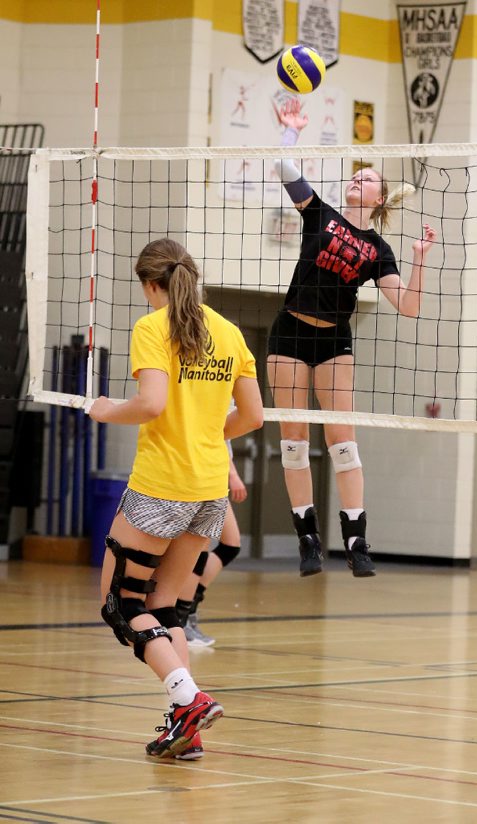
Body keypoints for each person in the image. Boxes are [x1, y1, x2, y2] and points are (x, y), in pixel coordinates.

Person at [89, 237, 263, 761]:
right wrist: (209, 437)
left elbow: (150, 404)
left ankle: (188, 700)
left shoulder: (152, 327)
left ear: (151, 285)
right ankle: (186, 731)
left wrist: (103, 409)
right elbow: (254, 418)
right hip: (209, 490)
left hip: (163, 485)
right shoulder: (229, 332)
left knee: (122, 605)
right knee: (166, 607)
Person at [268, 98, 437, 578]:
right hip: (289, 334)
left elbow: (409, 306)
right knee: (294, 441)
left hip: (334, 343)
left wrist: (420, 257)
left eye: (366, 180)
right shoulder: (319, 214)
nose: (355, 180)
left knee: (343, 441)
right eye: (354, 177)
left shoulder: (379, 250)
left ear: (379, 198)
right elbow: (285, 169)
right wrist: (290, 131)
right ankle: (307, 538)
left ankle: (358, 540)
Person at [176, 448, 247, 648]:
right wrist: (232, 475)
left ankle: (188, 609)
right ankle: (180, 619)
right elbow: (217, 437)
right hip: (203, 471)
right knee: (199, 547)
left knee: (230, 545)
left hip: (214, 472)